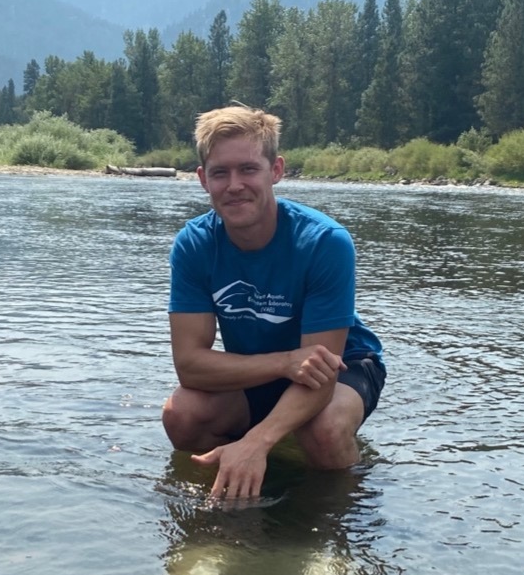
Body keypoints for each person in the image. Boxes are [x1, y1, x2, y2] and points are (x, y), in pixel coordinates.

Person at [162, 105, 386, 500]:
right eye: (220, 172)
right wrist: (284, 363)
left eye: (248, 169)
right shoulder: (194, 244)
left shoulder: (324, 243)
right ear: (202, 179)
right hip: (267, 368)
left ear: (276, 170)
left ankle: (337, 520)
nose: (234, 185)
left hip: (343, 366)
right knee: (182, 415)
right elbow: (190, 366)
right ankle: (223, 505)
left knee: (324, 430)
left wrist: (258, 441)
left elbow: (321, 370)